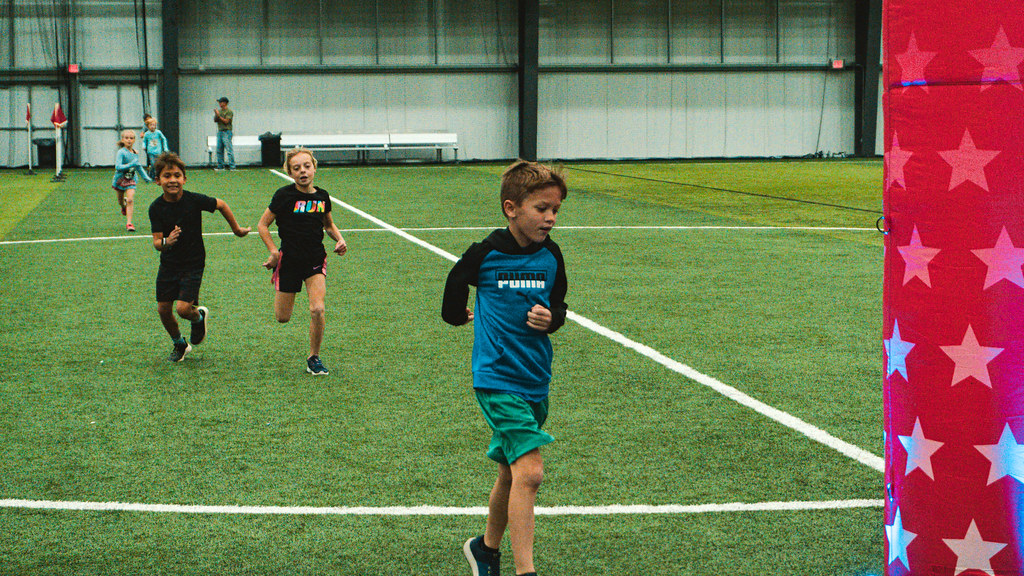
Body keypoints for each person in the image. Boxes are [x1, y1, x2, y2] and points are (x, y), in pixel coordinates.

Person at [442, 160, 569, 576]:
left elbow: (559, 303)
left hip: (536, 377)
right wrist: (456, 314)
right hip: (496, 378)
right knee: (531, 473)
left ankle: (485, 549)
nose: (550, 218)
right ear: (511, 208)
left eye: (555, 209)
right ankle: (524, 570)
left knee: (511, 474)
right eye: (541, 208)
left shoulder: (551, 255)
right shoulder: (486, 252)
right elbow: (455, 282)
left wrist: (551, 318)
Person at [148, 152, 251, 362]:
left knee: (183, 309)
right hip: (168, 265)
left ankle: (198, 317)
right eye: (167, 176)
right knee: (163, 310)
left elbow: (221, 204)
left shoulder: (194, 200)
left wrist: (237, 229)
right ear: (158, 180)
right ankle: (180, 344)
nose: (173, 180)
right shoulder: (156, 208)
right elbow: (157, 243)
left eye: (177, 175)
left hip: (193, 264)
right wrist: (168, 241)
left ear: (184, 179)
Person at [257, 147, 347, 375]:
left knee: (318, 309)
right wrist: (274, 252)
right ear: (290, 173)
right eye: (296, 168)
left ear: (314, 168)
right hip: (288, 261)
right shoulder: (283, 196)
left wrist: (339, 239)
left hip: (314, 259)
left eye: (307, 166)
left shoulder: (322, 196)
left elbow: (328, 224)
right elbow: (262, 225)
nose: (303, 171)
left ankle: (314, 357)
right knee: (282, 317)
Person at [111, 129, 152, 232]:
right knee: (120, 201)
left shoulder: (135, 152)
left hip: (131, 179)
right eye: (126, 138)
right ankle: (123, 206)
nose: (129, 140)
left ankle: (129, 223)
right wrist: (131, 164)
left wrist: (146, 177)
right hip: (120, 180)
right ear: (122, 140)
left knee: (130, 199)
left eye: (131, 138)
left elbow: (138, 166)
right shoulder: (121, 152)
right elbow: (118, 167)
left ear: (134, 140)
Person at [141, 115, 170, 179]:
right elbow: (144, 141)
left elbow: (163, 139)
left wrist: (165, 148)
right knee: (152, 163)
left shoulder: (158, 132)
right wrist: (144, 146)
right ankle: (152, 175)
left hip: (158, 151)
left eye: (153, 125)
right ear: (148, 126)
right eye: (151, 125)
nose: (152, 126)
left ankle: (156, 175)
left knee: (158, 164)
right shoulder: (147, 134)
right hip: (150, 151)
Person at [213, 96, 235, 171]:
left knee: (229, 150)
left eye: (221, 102)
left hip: (227, 132)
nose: (219, 104)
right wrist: (216, 115)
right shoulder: (219, 111)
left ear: (225, 103)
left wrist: (219, 115)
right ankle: (220, 166)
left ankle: (232, 166)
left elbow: (226, 121)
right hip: (220, 132)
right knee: (219, 150)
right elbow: (215, 120)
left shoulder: (229, 112)